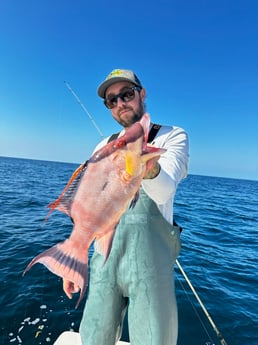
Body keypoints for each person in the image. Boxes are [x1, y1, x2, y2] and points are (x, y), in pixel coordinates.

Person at [63, 69, 189, 345]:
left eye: (127, 94)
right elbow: (87, 208)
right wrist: (74, 261)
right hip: (104, 261)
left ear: (142, 94)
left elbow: (165, 189)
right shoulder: (102, 145)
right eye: (111, 100)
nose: (120, 103)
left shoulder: (172, 136)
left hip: (151, 265)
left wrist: (147, 167)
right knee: (93, 337)